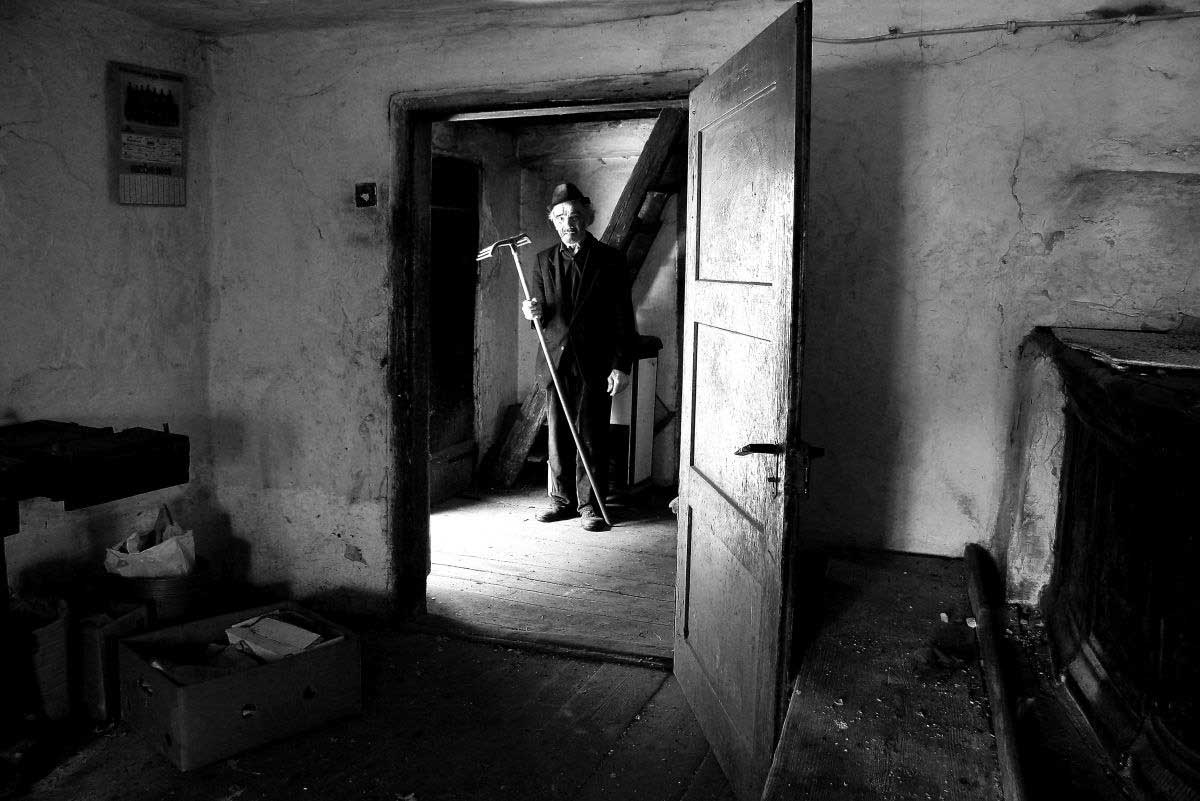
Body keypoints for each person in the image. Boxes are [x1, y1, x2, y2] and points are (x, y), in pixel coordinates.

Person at [521, 182, 637, 532]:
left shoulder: (610, 259)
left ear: (586, 217)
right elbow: (541, 316)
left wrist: (621, 365)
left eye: (574, 216)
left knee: (591, 434)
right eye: (560, 217)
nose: (567, 223)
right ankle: (561, 501)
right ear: (553, 221)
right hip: (555, 362)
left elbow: (623, 316)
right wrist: (532, 313)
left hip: (595, 362)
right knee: (557, 435)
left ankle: (590, 506)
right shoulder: (542, 260)